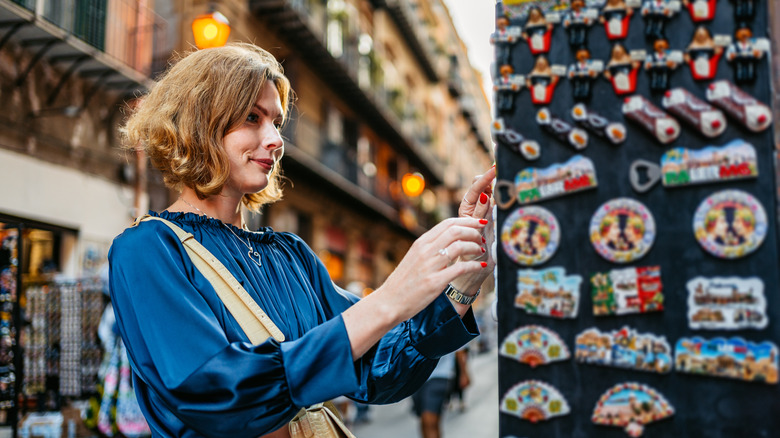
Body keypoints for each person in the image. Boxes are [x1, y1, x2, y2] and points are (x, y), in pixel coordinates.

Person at [108, 43, 496, 437]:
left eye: (276, 122)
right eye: (252, 117)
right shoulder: (148, 249)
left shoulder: (290, 255)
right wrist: (390, 298)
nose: (276, 139)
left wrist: (463, 280)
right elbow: (217, 393)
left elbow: (379, 370)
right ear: (199, 122)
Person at [411, 351, 458, 438]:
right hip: (416, 378)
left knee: (429, 420)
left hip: (440, 375)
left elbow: (460, 350)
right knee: (424, 420)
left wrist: (464, 372)